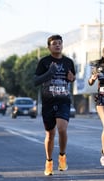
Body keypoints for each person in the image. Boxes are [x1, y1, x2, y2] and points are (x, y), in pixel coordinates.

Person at [34, 34, 76, 176]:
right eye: (54, 43)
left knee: (62, 129)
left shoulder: (68, 62)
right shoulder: (44, 62)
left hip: (63, 100)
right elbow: (35, 81)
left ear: (62, 45)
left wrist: (72, 78)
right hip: (48, 102)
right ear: (49, 47)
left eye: (59, 43)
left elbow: (72, 77)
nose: (57, 45)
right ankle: (49, 162)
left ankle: (62, 157)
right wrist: (49, 73)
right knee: (50, 134)